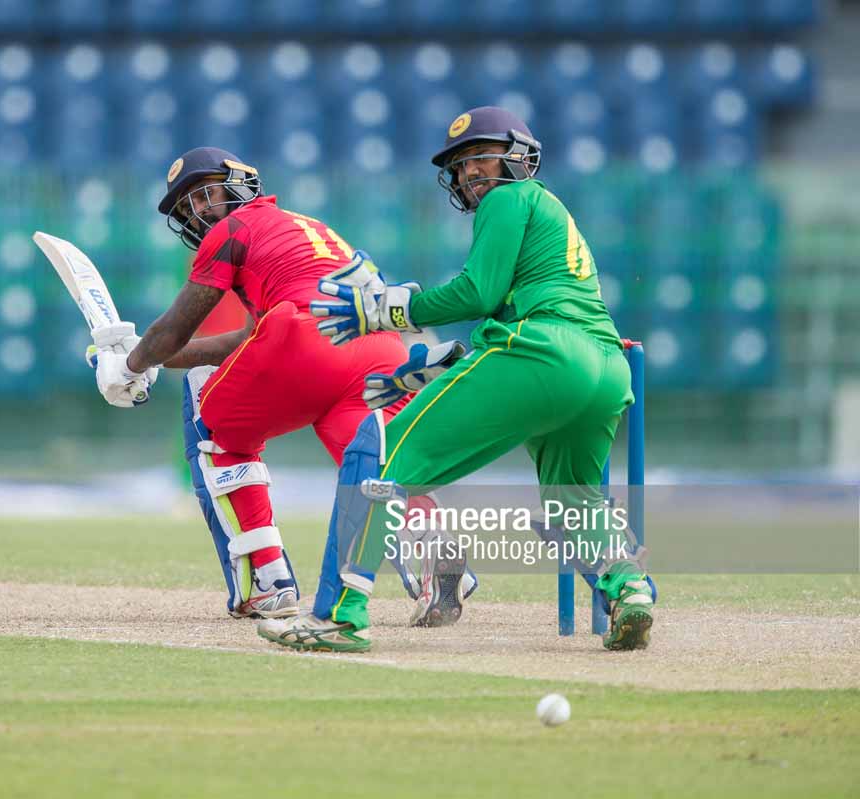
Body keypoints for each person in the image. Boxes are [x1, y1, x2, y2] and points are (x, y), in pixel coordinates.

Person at [257, 106, 656, 653]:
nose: (470, 173)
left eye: (481, 157)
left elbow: (478, 292)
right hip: (607, 367)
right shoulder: (550, 210)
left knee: (376, 450)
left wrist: (389, 310)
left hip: (543, 351)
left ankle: (341, 616)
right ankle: (630, 590)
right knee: (573, 501)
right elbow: (505, 297)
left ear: (518, 157)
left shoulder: (509, 198)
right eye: (462, 165)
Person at [89, 146, 473, 622]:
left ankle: (265, 580)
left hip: (305, 338)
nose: (198, 211)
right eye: (188, 206)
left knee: (210, 413)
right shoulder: (308, 227)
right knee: (377, 469)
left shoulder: (232, 230)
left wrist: (130, 365)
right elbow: (248, 338)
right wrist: (150, 359)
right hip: (379, 348)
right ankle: (436, 554)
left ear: (239, 184)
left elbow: (176, 329)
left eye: (205, 194)